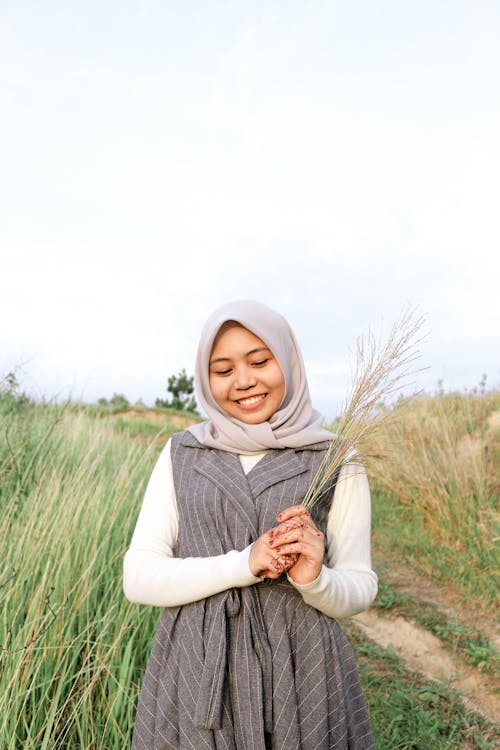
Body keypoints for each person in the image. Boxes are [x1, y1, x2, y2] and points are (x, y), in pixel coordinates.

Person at [123, 300, 378, 750]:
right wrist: (245, 563)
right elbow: (138, 578)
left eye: (260, 361)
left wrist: (316, 580)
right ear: (205, 379)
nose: (243, 381)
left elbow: (360, 587)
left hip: (302, 668)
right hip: (197, 665)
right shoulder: (183, 452)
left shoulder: (336, 458)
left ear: (288, 359)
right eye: (222, 370)